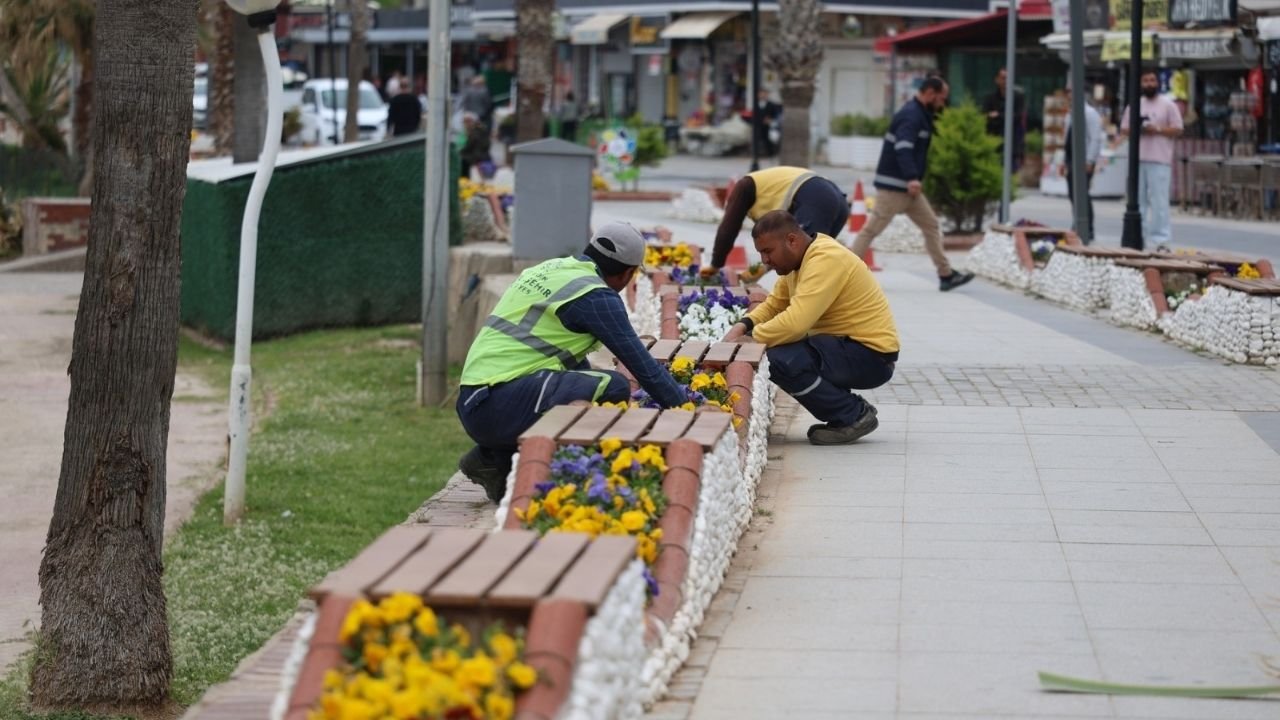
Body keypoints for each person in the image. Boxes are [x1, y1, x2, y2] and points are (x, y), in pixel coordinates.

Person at [456, 222, 688, 501]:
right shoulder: (596, 295)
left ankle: (492, 459)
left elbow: (570, 366)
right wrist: (686, 411)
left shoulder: (554, 269)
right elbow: (644, 368)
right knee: (613, 386)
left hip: (476, 399)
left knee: (586, 381)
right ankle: (575, 471)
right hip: (498, 402)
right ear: (628, 273)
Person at [722, 211, 898, 445]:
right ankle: (845, 411)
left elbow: (796, 323)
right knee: (780, 352)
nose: (764, 261)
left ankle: (852, 416)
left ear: (792, 240)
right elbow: (774, 305)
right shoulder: (798, 262)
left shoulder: (825, 259)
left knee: (780, 360)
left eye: (767, 251)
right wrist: (742, 327)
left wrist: (752, 340)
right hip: (845, 347)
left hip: (871, 356)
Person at [852, 76, 974, 292]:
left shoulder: (921, 114)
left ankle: (946, 275)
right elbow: (903, 147)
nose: (943, 103)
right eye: (941, 98)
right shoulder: (911, 115)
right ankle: (840, 274)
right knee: (871, 231)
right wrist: (912, 177)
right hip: (896, 188)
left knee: (931, 225)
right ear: (930, 93)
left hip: (909, 190)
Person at [703, 166, 850, 276]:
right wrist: (763, 268)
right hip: (838, 200)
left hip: (818, 198)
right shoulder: (764, 187)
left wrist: (716, 265)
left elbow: (728, 229)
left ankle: (800, 313)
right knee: (814, 263)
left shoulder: (743, 187)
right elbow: (782, 247)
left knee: (806, 262)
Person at [1119, 69, 1183, 246]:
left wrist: (1158, 129)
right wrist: (1137, 128)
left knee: (1159, 200)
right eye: (1145, 80)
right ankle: (1140, 237)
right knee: (1137, 201)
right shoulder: (1134, 105)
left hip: (1159, 160)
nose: (1149, 84)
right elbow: (1124, 129)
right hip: (1137, 160)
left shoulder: (1168, 104)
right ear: (1141, 83)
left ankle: (1160, 239)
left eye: (1152, 80)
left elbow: (1178, 128)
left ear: (1158, 82)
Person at [1059, 83, 1103, 242]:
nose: (1070, 95)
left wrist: (1090, 160)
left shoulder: (1090, 113)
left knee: (1082, 194)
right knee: (1073, 194)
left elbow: (1095, 138)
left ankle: (1088, 228)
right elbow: (1066, 139)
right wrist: (1063, 161)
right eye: (1068, 92)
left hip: (1083, 160)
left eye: (1072, 91)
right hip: (1071, 159)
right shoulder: (1070, 114)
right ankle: (1076, 222)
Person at [982, 67, 1027, 169]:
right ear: (997, 79)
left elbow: (1017, 117)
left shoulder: (1018, 97)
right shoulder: (990, 98)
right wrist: (1005, 116)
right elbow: (985, 116)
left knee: (1011, 175)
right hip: (993, 143)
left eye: (1008, 78)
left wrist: (998, 115)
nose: (1005, 81)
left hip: (1012, 145)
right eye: (1003, 78)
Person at [459, 112, 491, 179]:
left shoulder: (476, 133)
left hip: (477, 156)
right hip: (477, 155)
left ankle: (465, 180)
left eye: (468, 121)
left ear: (474, 122)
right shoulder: (474, 131)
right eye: (465, 122)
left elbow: (469, 147)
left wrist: (460, 153)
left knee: (462, 161)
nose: (466, 124)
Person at [754, 89, 783, 156]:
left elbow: (775, 115)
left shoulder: (771, 105)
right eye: (761, 94)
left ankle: (770, 153)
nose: (762, 95)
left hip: (769, 126)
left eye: (764, 94)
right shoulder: (755, 104)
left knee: (769, 139)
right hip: (759, 125)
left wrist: (770, 120)